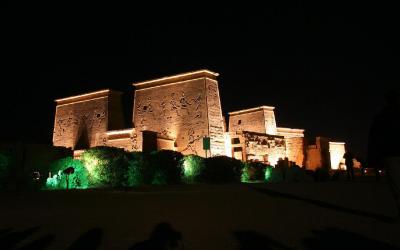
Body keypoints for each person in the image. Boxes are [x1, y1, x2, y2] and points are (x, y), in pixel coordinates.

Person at [368, 89, 400, 216]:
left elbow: (375, 139)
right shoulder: (381, 117)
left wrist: (373, 157)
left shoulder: (381, 117)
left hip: (390, 154)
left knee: (396, 184)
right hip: (390, 154)